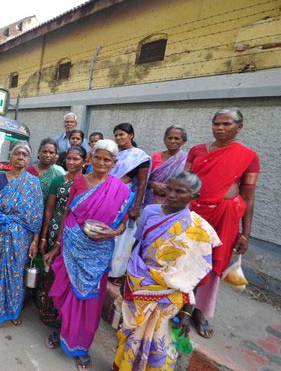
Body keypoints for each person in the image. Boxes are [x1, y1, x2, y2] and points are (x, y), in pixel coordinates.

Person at [113, 171, 221, 371]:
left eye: (179, 191)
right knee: (130, 336)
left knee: (160, 347)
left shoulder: (199, 229)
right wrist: (127, 279)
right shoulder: (150, 212)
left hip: (169, 297)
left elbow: (193, 275)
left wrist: (187, 312)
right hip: (140, 286)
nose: (171, 194)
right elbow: (138, 247)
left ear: (194, 197)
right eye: (169, 188)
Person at [44, 140, 134, 371]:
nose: (102, 163)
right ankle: (62, 331)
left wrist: (114, 232)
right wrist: (57, 245)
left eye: (107, 160)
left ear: (114, 163)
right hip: (72, 246)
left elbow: (123, 224)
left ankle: (80, 347)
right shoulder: (80, 181)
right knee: (66, 294)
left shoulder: (121, 190)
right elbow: (68, 212)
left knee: (89, 302)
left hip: (98, 252)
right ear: (90, 158)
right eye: (98, 158)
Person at [184, 108, 259, 338]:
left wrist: (245, 234)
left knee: (212, 264)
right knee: (184, 258)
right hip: (193, 215)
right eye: (217, 123)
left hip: (224, 218)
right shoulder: (197, 151)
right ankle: (180, 305)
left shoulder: (248, 156)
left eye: (227, 124)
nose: (220, 128)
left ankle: (200, 311)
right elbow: (184, 183)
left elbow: (248, 197)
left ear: (239, 127)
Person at [0, 141, 44, 326]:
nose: (21, 157)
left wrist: (34, 242)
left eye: (25, 154)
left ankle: (12, 311)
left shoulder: (33, 183)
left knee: (15, 274)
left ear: (29, 159)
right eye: (17, 153)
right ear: (10, 156)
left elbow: (36, 215)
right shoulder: (0, 179)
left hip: (22, 239)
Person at [38, 145, 87, 326]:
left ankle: (64, 315)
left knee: (67, 275)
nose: (72, 162)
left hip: (76, 235)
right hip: (55, 230)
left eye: (76, 159)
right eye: (69, 159)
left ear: (84, 161)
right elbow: (49, 210)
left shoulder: (88, 183)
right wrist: (43, 236)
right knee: (51, 271)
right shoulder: (58, 181)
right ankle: (48, 310)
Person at [111, 123, 151, 221]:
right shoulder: (114, 154)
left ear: (131, 135)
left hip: (125, 197)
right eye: (116, 135)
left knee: (121, 225)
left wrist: (136, 207)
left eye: (121, 134)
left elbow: (142, 184)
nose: (118, 138)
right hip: (108, 193)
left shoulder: (140, 156)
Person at [145, 125, 188, 205]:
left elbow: (188, 183)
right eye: (169, 138)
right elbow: (143, 179)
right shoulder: (155, 156)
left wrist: (170, 188)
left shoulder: (186, 159)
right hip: (151, 200)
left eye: (176, 138)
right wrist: (153, 184)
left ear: (183, 142)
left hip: (175, 202)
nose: (172, 141)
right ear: (164, 140)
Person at [26, 138, 66, 203]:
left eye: (51, 152)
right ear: (38, 153)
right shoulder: (28, 171)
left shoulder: (58, 174)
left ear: (56, 155)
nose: (47, 155)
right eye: (44, 152)